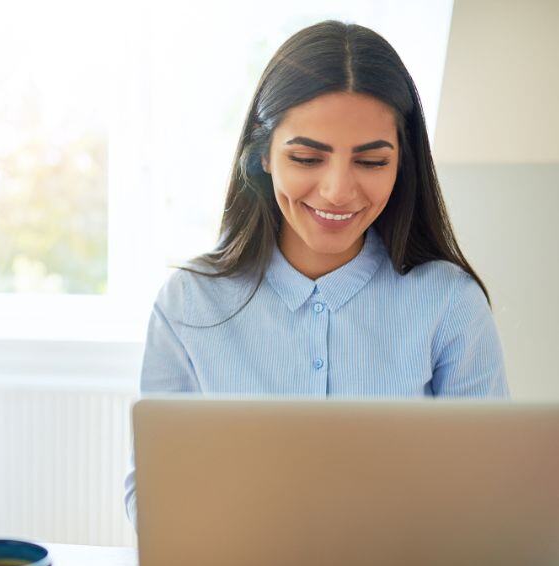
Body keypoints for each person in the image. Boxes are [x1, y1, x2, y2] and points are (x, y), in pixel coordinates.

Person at [123, 20, 510, 530]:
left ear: (402, 165)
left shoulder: (449, 303)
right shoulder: (189, 303)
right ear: (262, 156)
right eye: (307, 157)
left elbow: (491, 492)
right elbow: (152, 495)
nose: (337, 191)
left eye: (371, 161)